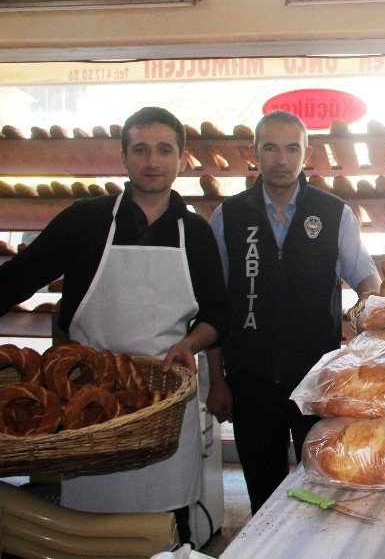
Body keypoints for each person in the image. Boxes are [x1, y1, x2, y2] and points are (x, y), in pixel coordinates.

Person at [0, 106, 228, 544]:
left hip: (163, 397)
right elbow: (16, 279)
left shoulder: (195, 233)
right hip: (87, 399)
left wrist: (191, 343)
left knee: (166, 523)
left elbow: (218, 314)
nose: (152, 161)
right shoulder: (84, 221)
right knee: (86, 529)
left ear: (181, 159)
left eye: (164, 150)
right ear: (123, 158)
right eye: (140, 149)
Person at [206, 110, 381, 513]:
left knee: (322, 493)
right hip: (250, 384)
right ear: (254, 153)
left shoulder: (334, 213)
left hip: (316, 384)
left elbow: (367, 280)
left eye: (291, 148)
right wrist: (218, 380)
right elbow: (215, 307)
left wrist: (364, 316)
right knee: (263, 497)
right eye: (270, 148)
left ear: (307, 154)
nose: (281, 159)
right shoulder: (228, 217)